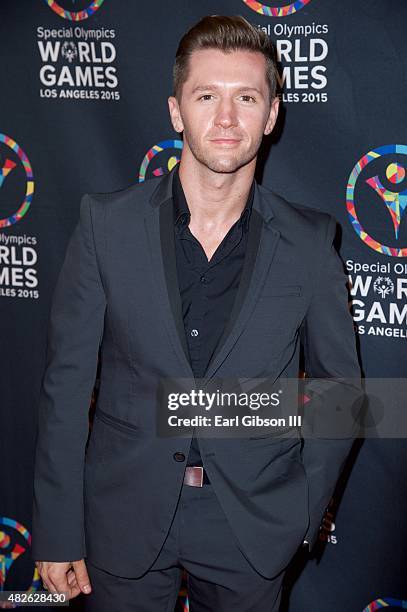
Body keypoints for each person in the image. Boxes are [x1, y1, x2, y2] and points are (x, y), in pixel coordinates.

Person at [32, 15, 361, 612]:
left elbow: (343, 392)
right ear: (177, 111)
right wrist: (56, 528)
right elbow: (66, 384)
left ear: (272, 114)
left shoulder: (312, 243)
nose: (227, 118)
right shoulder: (106, 225)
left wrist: (302, 510)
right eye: (207, 96)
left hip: (252, 528)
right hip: (123, 514)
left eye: (247, 97)